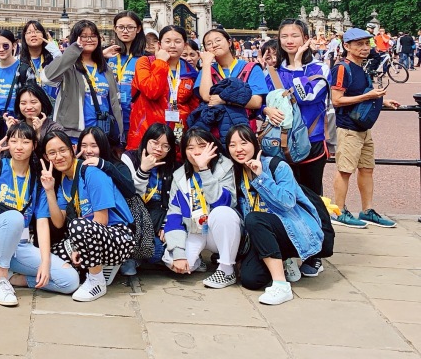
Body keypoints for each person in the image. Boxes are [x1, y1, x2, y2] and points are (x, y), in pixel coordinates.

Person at [0, 123, 79, 306]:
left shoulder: (38, 180)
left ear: (34, 146)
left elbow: (42, 223)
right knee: (14, 217)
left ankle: (13, 278)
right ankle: (0, 281)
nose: (19, 146)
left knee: (70, 280)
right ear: (8, 144)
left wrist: (45, 263)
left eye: (25, 142)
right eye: (14, 141)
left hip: (18, 246)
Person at [225, 124, 324, 305]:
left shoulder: (277, 166)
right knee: (250, 279)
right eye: (232, 145)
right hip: (263, 235)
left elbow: (287, 202)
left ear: (255, 144)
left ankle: (281, 285)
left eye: (244, 143)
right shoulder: (237, 174)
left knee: (254, 219)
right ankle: (283, 261)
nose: (238, 149)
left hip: (293, 230)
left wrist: (261, 177)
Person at [39, 129, 134, 302]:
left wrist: (77, 247)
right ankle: (25, 278)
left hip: (119, 238)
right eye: (52, 153)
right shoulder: (64, 180)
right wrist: (49, 190)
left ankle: (96, 281)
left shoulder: (91, 172)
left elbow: (102, 220)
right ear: (46, 157)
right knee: (54, 254)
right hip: (91, 237)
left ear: (73, 150)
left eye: (62, 150)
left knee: (77, 225)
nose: (58, 157)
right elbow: (59, 222)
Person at [329, 27, 401, 229]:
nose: (365, 47)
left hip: (362, 127)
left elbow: (359, 94)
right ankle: (338, 211)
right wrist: (368, 96)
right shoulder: (342, 68)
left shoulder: (361, 67)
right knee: (345, 170)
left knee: (367, 169)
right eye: (359, 44)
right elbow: (337, 100)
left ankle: (367, 210)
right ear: (346, 46)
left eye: (366, 43)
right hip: (348, 128)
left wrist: (382, 101)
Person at [162, 128, 242, 289]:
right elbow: (174, 214)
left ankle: (226, 269)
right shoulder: (179, 176)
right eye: (190, 148)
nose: (197, 152)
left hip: (219, 231)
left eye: (202, 146)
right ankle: (197, 262)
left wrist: (204, 170)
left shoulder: (225, 167)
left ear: (212, 147)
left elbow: (224, 202)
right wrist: (179, 253)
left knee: (223, 212)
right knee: (173, 262)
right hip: (195, 230)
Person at [270, 19, 330, 200]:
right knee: (285, 195)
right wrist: (266, 110)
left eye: (294, 36)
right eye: (284, 36)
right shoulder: (273, 72)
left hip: (311, 139)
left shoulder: (320, 69)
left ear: (305, 39)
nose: (289, 41)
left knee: (312, 196)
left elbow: (305, 97)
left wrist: (296, 66)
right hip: (281, 140)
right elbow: (263, 102)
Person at [44, 20, 122, 147]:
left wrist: (119, 134)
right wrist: (74, 49)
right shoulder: (68, 66)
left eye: (93, 36)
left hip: (102, 135)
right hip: (74, 136)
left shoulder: (105, 68)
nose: (89, 40)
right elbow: (47, 78)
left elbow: (114, 102)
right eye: (84, 36)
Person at [121, 123, 177, 268]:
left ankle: (139, 256)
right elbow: (129, 196)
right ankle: (132, 256)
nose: (159, 149)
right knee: (154, 251)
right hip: (134, 218)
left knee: (159, 250)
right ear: (146, 140)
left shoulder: (172, 166)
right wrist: (143, 171)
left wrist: (167, 224)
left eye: (165, 146)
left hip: (157, 218)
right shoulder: (129, 158)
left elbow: (174, 201)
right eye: (155, 143)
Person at [198, 28, 270, 125]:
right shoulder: (206, 71)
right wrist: (206, 63)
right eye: (209, 44)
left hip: (244, 127)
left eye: (218, 40)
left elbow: (256, 102)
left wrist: (224, 100)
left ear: (229, 42)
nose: (214, 45)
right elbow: (207, 97)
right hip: (215, 127)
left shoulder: (252, 68)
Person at [107, 11, 147, 138]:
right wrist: (101, 56)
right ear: (115, 29)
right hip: (110, 119)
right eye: (121, 27)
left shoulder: (146, 58)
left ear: (138, 29)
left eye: (130, 27)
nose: (125, 31)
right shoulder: (108, 56)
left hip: (136, 118)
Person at [20, 20, 60, 100]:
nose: (33, 35)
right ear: (24, 37)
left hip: (52, 103)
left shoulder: (53, 59)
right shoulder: (18, 62)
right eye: (29, 32)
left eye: (37, 31)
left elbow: (64, 68)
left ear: (43, 35)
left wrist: (56, 51)